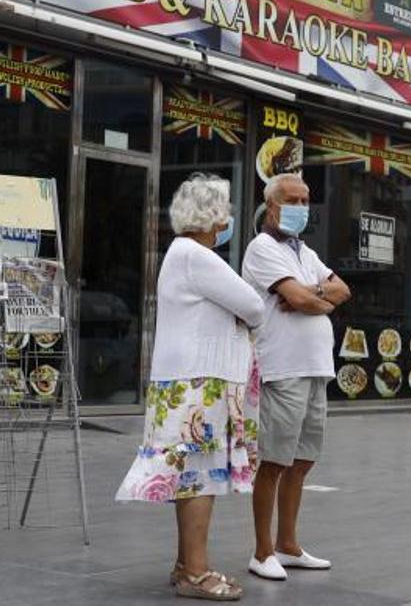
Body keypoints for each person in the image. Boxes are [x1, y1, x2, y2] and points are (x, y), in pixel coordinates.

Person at [116, 174, 264, 601]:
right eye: (226, 212)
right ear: (212, 216)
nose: (229, 219)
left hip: (189, 381)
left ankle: (186, 565)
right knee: (201, 476)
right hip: (199, 386)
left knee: (193, 476)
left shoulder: (182, 254)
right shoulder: (196, 256)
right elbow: (253, 305)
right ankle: (196, 572)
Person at [242, 173, 351, 581]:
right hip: (282, 367)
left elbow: (341, 291)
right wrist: (311, 296)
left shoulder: (305, 252)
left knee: (303, 460)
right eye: (293, 200)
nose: (302, 207)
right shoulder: (262, 248)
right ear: (271, 205)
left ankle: (288, 545)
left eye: (306, 200)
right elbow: (303, 297)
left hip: (316, 367)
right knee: (273, 461)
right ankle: (262, 550)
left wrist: (311, 296)